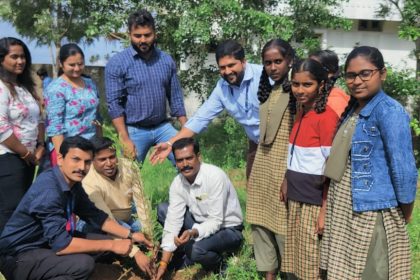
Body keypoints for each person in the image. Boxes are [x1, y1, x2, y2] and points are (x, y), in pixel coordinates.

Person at [320, 46, 417, 280]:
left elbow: (403, 169)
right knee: (347, 271)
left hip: (371, 210)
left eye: (365, 73)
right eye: (351, 75)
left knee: (371, 271)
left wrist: (405, 211)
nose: (357, 81)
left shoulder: (389, 111)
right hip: (344, 204)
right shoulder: (353, 108)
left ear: (382, 74)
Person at [0, 136, 154, 280]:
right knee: (83, 264)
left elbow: (95, 216)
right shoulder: (49, 190)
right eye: (76, 159)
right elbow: (61, 244)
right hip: (18, 257)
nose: (82, 167)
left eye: (87, 162)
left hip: (45, 245)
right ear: (60, 159)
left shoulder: (72, 183)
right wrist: (114, 245)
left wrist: (131, 235)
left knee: (108, 242)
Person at [151, 40, 263, 178]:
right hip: (256, 144)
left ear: (243, 62)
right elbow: (200, 119)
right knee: (255, 192)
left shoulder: (263, 76)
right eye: (222, 67)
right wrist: (170, 143)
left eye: (231, 65)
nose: (227, 71)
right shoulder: (222, 88)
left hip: (280, 142)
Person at [281, 59, 339, 279]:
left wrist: (324, 210)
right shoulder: (300, 111)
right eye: (296, 84)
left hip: (314, 200)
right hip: (296, 195)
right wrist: (286, 178)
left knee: (310, 257)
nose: (300, 90)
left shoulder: (326, 118)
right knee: (296, 253)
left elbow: (330, 169)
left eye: (307, 85)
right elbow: (296, 154)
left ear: (321, 86)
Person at [154, 138, 243, 279]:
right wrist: (164, 263)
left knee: (196, 249)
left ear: (199, 156)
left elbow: (215, 221)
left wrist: (193, 232)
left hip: (228, 229)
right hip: (199, 224)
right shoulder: (178, 183)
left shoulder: (214, 176)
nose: (185, 164)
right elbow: (172, 222)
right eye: (180, 160)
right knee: (164, 209)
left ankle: (220, 265)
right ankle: (184, 253)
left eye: (189, 158)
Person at [105, 9, 187, 164]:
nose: (143, 40)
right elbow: (114, 104)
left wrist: (186, 130)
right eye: (137, 36)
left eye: (147, 35)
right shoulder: (117, 63)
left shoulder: (166, 60)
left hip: (163, 128)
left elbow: (175, 98)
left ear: (155, 33)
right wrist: (125, 138)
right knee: (129, 177)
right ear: (129, 34)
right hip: (134, 130)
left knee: (187, 160)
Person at [246, 39, 295, 280]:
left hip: (284, 166)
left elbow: (298, 137)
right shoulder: (268, 90)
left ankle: (291, 273)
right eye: (268, 63)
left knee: (284, 225)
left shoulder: (297, 90)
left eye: (278, 61)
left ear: (289, 61)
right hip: (264, 165)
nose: (273, 67)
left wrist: (289, 174)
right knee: (260, 221)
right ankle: (269, 274)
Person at [0, 37, 45, 232]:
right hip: (9, 156)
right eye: (14, 57)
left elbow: (40, 118)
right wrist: (25, 153)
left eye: (23, 56)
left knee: (22, 207)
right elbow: (1, 126)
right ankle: (7, 256)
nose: (20, 61)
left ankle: (18, 250)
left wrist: (40, 145)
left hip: (29, 158)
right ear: (1, 59)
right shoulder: (1, 88)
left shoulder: (24, 87)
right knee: (10, 209)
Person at [78, 136, 150, 235]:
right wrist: (130, 235)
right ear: (92, 160)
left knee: (146, 229)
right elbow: (106, 219)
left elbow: (141, 203)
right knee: (132, 236)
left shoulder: (129, 167)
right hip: (103, 221)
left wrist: (149, 233)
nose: (109, 163)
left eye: (112, 157)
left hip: (127, 216)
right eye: (102, 159)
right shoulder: (88, 181)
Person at [45, 43, 102, 166]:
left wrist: (100, 144)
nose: (77, 68)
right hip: (68, 149)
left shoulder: (90, 84)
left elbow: (97, 117)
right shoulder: (56, 88)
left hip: (90, 146)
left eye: (80, 64)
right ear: (61, 64)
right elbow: (55, 126)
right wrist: (62, 156)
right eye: (71, 65)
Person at [309, 49, 350, 116]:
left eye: (312, 68)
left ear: (329, 73)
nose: (306, 71)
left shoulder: (337, 101)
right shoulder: (314, 95)